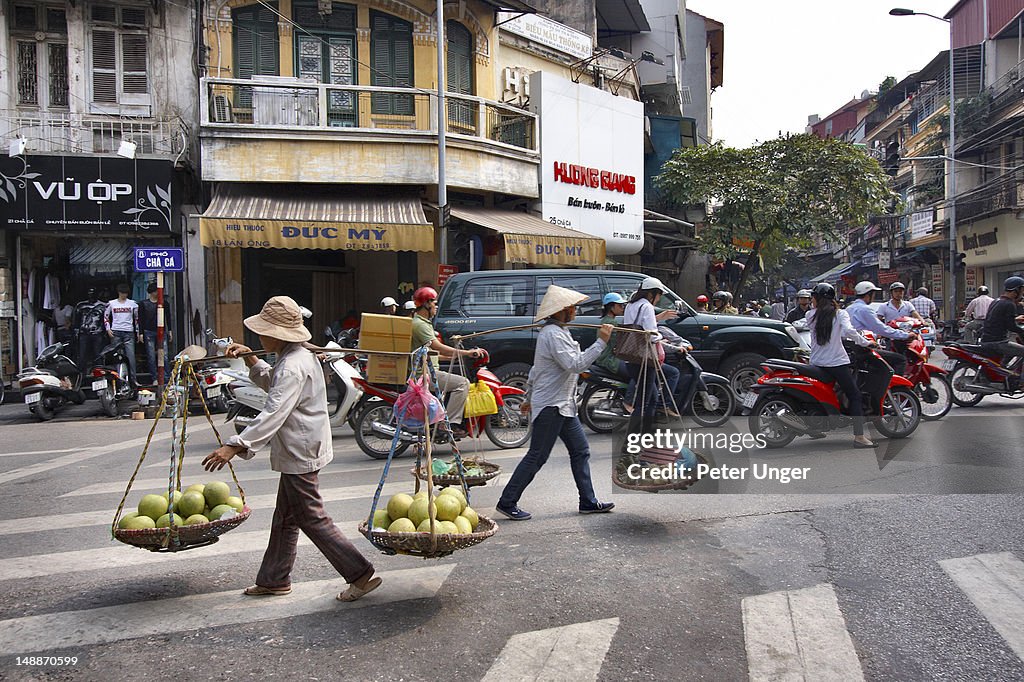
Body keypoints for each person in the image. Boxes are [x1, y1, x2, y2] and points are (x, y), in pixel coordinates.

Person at [203, 296, 381, 602]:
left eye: (262, 332)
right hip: (303, 445)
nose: (259, 337)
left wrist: (234, 445)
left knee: (311, 517)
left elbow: (274, 410)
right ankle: (274, 579)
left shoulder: (294, 363)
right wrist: (250, 358)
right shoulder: (293, 357)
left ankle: (360, 573)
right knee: (286, 517)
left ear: (276, 334)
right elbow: (275, 385)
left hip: (302, 449)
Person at [495, 285, 615, 520]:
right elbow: (576, 365)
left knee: (581, 451)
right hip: (552, 406)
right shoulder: (552, 335)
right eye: (572, 308)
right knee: (537, 455)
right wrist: (601, 342)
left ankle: (588, 502)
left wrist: (529, 397)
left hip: (563, 405)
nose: (575, 312)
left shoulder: (559, 332)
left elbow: (536, 371)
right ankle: (507, 501)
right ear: (561, 311)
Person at [806, 283, 878, 448]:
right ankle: (859, 437)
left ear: (818, 299)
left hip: (817, 363)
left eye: (813, 298)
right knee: (855, 395)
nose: (811, 301)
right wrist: (867, 343)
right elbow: (849, 332)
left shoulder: (810, 315)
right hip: (837, 363)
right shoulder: (839, 314)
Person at [410, 286, 483, 438]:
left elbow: (430, 352)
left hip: (427, 369)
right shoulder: (420, 325)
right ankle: (447, 422)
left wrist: (452, 357)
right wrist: (466, 353)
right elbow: (437, 347)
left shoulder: (421, 322)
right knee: (462, 383)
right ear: (426, 304)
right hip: (425, 374)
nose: (436, 307)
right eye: (434, 303)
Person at [623, 277, 681, 434]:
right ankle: (634, 438)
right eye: (659, 295)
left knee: (652, 399)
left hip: (631, 356)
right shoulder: (646, 306)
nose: (659, 298)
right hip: (645, 358)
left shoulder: (631, 305)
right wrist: (664, 339)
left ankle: (646, 435)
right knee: (644, 402)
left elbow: (637, 326)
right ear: (652, 293)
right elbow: (652, 334)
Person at [846, 281, 914, 378]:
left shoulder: (849, 308)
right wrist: (906, 335)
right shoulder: (866, 309)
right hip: (863, 348)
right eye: (873, 294)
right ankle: (896, 388)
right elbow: (881, 328)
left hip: (854, 347)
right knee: (900, 359)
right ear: (868, 294)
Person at [978, 277, 1024, 381]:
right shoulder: (1009, 304)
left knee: (1012, 349)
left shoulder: (996, 301)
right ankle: (1022, 382)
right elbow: (1011, 326)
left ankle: (1003, 371)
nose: (1022, 293)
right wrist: (1021, 331)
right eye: (1022, 290)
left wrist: (1016, 319)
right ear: (1016, 290)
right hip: (997, 342)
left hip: (986, 339)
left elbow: (999, 319)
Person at [104, 283, 141, 387]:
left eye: (125, 293)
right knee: (116, 357)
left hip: (128, 331)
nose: (124, 295)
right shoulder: (111, 304)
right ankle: (117, 382)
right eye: (122, 293)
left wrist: (137, 332)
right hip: (116, 331)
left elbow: (136, 319)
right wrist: (108, 329)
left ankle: (133, 380)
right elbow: (106, 317)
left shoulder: (133, 304)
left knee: (131, 357)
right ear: (118, 293)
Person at [139, 283, 173, 382]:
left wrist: (170, 330)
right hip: (148, 331)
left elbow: (168, 317)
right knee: (151, 356)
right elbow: (140, 319)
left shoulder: (164, 303)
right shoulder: (143, 304)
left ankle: (166, 377)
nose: (157, 293)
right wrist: (140, 333)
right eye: (155, 291)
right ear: (151, 292)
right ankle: (154, 377)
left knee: (165, 355)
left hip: (162, 331)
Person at [73, 288, 107, 367]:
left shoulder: (103, 306)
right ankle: (81, 375)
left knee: (98, 354)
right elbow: (76, 320)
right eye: (89, 293)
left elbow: (106, 320)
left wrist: (105, 332)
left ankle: (100, 373)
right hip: (83, 333)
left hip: (98, 333)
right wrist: (76, 331)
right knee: (82, 355)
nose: (91, 295)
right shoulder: (81, 305)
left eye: (93, 293)